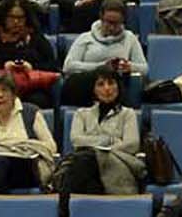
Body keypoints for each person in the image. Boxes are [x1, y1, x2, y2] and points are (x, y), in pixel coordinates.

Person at [60, 67, 150, 196]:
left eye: (111, 83)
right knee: (84, 167)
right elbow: (77, 140)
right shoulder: (82, 114)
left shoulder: (127, 114)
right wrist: (110, 140)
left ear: (118, 86)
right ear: (93, 89)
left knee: (84, 160)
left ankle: (65, 211)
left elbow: (132, 144)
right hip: (87, 169)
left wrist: (98, 151)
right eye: (101, 84)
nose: (107, 88)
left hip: (117, 166)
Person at [59, 0, 147, 103]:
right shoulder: (86, 38)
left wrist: (129, 67)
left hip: (115, 88)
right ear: (101, 18)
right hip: (87, 87)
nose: (112, 27)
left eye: (116, 23)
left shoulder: (130, 38)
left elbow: (144, 68)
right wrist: (102, 67)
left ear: (123, 21)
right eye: (108, 22)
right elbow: (68, 66)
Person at [0, 0, 57, 98]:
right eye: (11, 17)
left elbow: (52, 66)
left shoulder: (35, 37)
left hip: (30, 87)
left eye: (20, 18)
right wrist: (3, 67)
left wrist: (31, 67)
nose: (16, 21)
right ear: (4, 17)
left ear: (26, 18)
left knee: (39, 99)